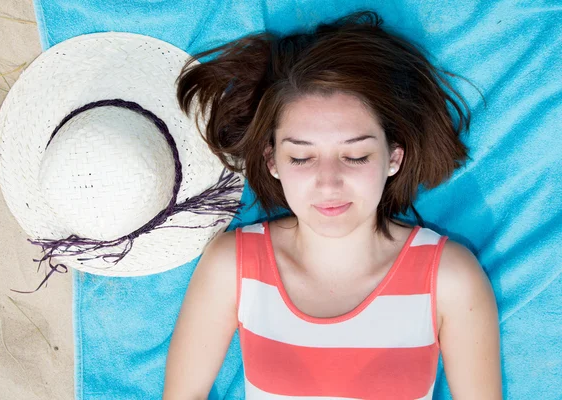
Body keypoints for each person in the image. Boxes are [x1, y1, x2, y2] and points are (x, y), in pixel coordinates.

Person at [164, 11, 502, 400]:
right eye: (302, 158)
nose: (328, 183)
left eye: (355, 156)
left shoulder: (450, 278)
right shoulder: (233, 265)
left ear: (393, 157)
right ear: (272, 161)